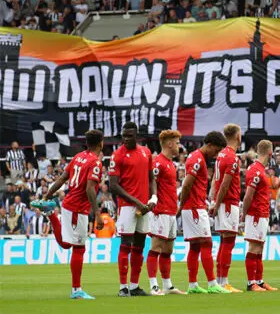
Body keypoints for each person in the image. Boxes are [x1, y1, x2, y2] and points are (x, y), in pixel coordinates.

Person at [34, 130, 105, 299]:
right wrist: (97, 212)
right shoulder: (95, 162)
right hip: (77, 208)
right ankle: (76, 290)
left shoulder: (79, 156)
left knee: (68, 245)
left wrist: (47, 195)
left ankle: (51, 212)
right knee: (79, 248)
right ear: (101, 143)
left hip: (68, 204)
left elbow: (62, 178)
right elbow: (89, 188)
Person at [179, 131, 229, 294]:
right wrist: (181, 205)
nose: (216, 155)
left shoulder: (196, 157)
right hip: (194, 207)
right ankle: (212, 283)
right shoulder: (197, 159)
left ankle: (193, 285)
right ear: (209, 145)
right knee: (206, 243)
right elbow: (186, 185)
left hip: (193, 206)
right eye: (216, 150)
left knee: (194, 247)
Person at [109, 122, 155, 297]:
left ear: (137, 136)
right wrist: (136, 201)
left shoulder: (146, 152)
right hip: (128, 206)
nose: (126, 138)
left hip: (144, 207)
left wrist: (154, 197)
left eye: (130, 135)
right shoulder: (117, 155)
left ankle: (134, 286)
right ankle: (123, 287)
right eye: (124, 135)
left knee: (140, 246)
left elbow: (151, 178)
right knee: (126, 244)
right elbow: (113, 186)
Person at [146, 130, 185, 295]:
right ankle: (154, 285)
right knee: (156, 247)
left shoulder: (170, 163)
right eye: (176, 143)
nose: (178, 146)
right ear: (169, 144)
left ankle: (167, 285)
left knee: (168, 250)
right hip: (160, 211)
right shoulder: (158, 163)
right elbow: (150, 184)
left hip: (170, 211)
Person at [242, 140, 279, 292]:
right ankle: (251, 283)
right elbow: (248, 196)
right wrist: (244, 216)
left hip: (262, 214)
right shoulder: (256, 170)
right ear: (270, 154)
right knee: (254, 247)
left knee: (259, 248)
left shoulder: (259, 169)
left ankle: (259, 281)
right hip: (256, 214)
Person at [211, 124, 243, 293]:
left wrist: (213, 200)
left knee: (224, 241)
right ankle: (223, 282)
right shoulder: (231, 157)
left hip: (222, 203)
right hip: (228, 203)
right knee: (228, 242)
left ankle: (219, 280)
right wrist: (217, 204)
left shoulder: (220, 155)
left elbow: (215, 181)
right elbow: (225, 183)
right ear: (238, 136)